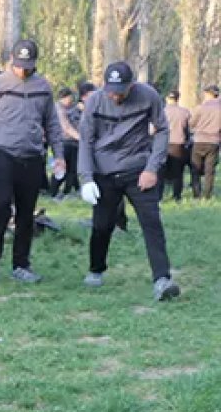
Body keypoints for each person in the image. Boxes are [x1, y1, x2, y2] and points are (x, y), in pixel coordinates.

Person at [77, 61, 180, 301]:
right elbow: (86, 141)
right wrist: (86, 179)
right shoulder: (94, 101)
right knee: (102, 225)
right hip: (104, 172)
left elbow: (162, 130)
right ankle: (96, 269)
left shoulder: (148, 96)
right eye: (111, 90)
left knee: (152, 223)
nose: (115, 96)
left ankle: (162, 279)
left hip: (138, 169)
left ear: (131, 85)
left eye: (120, 90)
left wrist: (152, 168)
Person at [0, 39, 66, 284]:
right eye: (19, 64)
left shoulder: (43, 87)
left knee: (27, 213)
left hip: (33, 155)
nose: (22, 70)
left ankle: (21, 264)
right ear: (11, 61)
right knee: (0, 205)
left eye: (27, 65)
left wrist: (58, 156)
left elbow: (52, 124)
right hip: (2, 152)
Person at [188, 85, 220, 199]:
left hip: (199, 140)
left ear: (208, 94)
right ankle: (207, 195)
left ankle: (196, 194)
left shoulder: (200, 108)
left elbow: (191, 123)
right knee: (210, 170)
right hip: (214, 142)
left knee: (195, 168)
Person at [50, 87, 82, 199]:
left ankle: (66, 191)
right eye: (69, 98)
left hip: (74, 143)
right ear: (63, 97)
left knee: (72, 170)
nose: (71, 100)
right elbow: (66, 127)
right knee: (61, 168)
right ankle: (53, 192)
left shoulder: (74, 108)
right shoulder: (58, 109)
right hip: (63, 142)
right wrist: (81, 139)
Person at [162, 90, 192, 202]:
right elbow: (188, 129)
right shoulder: (185, 112)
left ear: (167, 99)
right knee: (178, 173)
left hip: (164, 144)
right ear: (178, 98)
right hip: (178, 145)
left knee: (161, 172)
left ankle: (160, 196)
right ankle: (177, 196)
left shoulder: (162, 111)